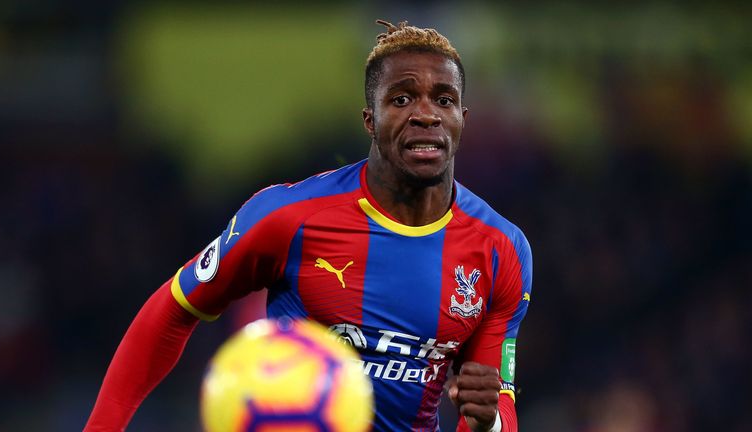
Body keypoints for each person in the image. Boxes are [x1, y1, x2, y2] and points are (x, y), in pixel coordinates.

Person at [84, 19, 532, 432]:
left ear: (461, 121)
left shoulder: (501, 249)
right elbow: (172, 309)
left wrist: (489, 421)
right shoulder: (287, 216)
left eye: (444, 99)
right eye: (401, 98)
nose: (425, 114)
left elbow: (494, 405)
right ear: (369, 120)